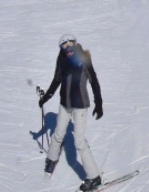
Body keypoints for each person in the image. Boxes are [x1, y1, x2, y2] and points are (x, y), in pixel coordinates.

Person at [39, 35, 103, 191]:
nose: (68, 49)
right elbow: (56, 80)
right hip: (65, 104)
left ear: (74, 44)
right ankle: (51, 159)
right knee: (58, 133)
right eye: (64, 46)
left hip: (80, 105)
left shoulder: (83, 59)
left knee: (79, 141)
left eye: (70, 45)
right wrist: (46, 97)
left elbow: (94, 81)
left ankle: (94, 177)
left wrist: (99, 103)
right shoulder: (61, 59)